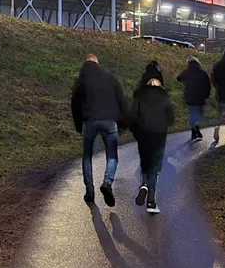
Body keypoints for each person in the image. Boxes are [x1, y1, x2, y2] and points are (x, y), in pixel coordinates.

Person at [71, 54, 129, 206]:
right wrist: (123, 122)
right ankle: (107, 182)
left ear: (86, 63)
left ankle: (89, 190)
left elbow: (75, 104)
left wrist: (78, 124)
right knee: (112, 155)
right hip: (109, 121)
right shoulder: (110, 78)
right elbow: (121, 100)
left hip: (89, 121)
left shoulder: (82, 80)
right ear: (98, 63)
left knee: (87, 156)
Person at [131, 74, 174, 214]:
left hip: (144, 135)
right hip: (159, 136)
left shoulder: (140, 98)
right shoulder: (164, 98)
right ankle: (151, 202)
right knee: (155, 169)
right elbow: (171, 118)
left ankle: (144, 184)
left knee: (145, 164)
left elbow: (133, 116)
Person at [176, 56, 212, 141]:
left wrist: (185, 82)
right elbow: (208, 85)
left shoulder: (186, 72)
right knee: (200, 114)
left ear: (188, 64)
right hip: (200, 96)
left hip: (189, 96)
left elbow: (178, 78)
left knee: (192, 113)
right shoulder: (203, 73)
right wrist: (207, 94)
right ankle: (196, 127)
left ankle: (193, 131)